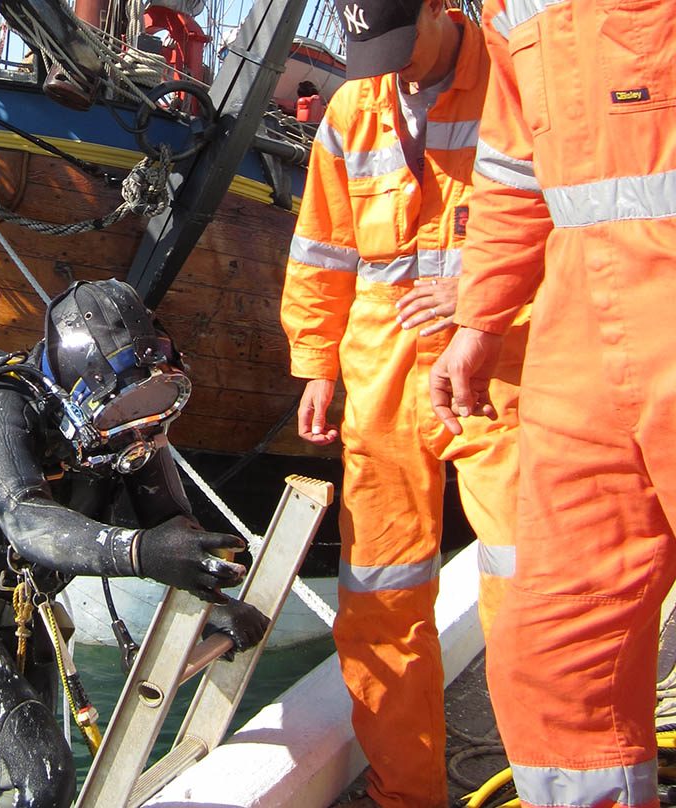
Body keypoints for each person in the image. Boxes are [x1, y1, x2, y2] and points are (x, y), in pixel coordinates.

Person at [0, 279, 268, 808]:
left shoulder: (134, 433)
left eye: (159, 402)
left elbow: (173, 526)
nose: (141, 432)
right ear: (78, 393)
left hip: (28, 619)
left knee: (8, 784)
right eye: (122, 412)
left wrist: (210, 599)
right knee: (42, 773)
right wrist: (140, 553)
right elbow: (25, 518)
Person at [279, 0, 529, 805]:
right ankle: (407, 794)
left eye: (400, 44)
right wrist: (318, 365)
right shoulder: (354, 106)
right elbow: (322, 247)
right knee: (381, 597)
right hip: (381, 383)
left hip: (498, 372)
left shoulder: (518, 79)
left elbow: (567, 218)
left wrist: (478, 294)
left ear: (439, 8)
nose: (390, 68)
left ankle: (553, 778)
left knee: (530, 586)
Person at [428, 1, 676, 805]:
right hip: (581, 332)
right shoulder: (508, 6)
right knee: (554, 648)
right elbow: (512, 167)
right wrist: (480, 321)